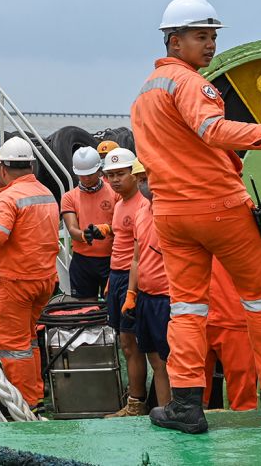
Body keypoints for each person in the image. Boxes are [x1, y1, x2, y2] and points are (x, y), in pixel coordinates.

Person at [131, 0, 261, 434]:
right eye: (201, 36)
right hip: (220, 209)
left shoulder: (145, 94)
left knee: (186, 309)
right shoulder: (190, 84)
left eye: (213, 37)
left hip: (171, 215)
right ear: (174, 41)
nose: (211, 45)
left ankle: (186, 405)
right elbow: (213, 130)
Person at [0, 137, 60, 408]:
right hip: (43, 281)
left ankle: (25, 403)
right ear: (30, 166)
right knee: (28, 340)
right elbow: (22, 221)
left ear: (2, 169)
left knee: (12, 346)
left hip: (14, 282)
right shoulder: (45, 193)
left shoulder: (7, 197)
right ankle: (36, 394)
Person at [203, 237, 261, 410]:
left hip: (227, 318)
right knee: (189, 390)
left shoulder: (254, 222)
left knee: (242, 395)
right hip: (204, 317)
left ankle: (244, 426)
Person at [102, 148, 150, 417]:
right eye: (110, 175)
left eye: (120, 174)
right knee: (126, 344)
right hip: (117, 276)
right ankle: (135, 400)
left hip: (134, 279)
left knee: (135, 344)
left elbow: (139, 254)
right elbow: (120, 243)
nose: (115, 180)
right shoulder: (120, 204)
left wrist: (132, 289)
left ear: (135, 174)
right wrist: (112, 281)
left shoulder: (143, 204)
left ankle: (137, 403)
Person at [124, 195, 172, 409]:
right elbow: (136, 259)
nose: (146, 184)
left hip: (168, 299)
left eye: (147, 179)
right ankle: (164, 411)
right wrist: (131, 293)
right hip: (146, 298)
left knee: (173, 363)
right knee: (157, 363)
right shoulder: (141, 214)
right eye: (142, 180)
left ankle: (180, 411)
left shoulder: (172, 212)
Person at [60, 146, 115, 298]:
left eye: (90, 174)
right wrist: (84, 235)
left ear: (99, 170)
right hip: (82, 261)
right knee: (84, 306)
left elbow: (123, 226)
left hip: (111, 259)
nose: (86, 179)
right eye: (82, 175)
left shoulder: (114, 193)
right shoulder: (69, 197)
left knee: (112, 306)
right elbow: (72, 228)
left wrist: (106, 229)